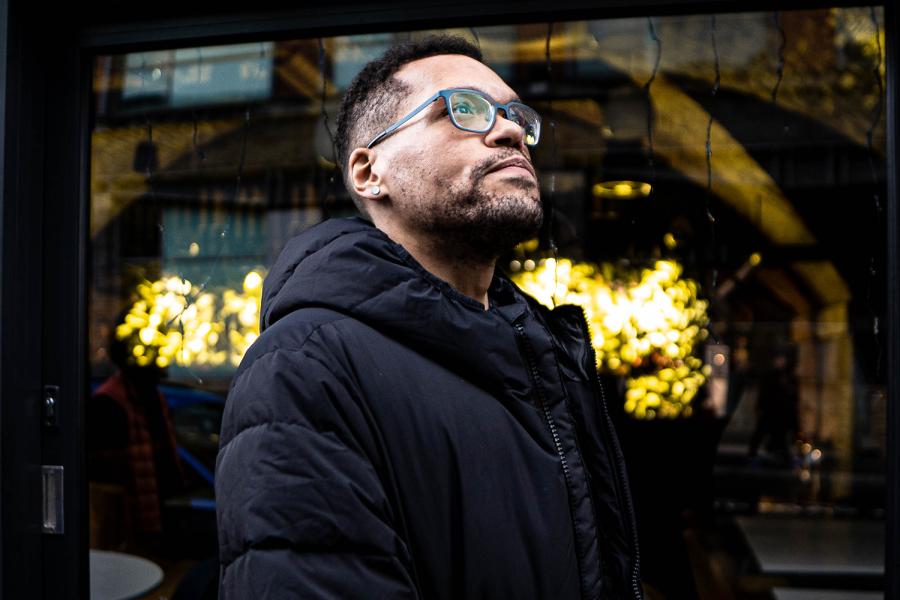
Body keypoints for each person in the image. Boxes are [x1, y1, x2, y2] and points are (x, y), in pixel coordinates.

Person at [215, 35, 642, 599]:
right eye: (464, 110)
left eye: (517, 115)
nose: (512, 131)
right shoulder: (304, 368)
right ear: (369, 172)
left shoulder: (542, 352)